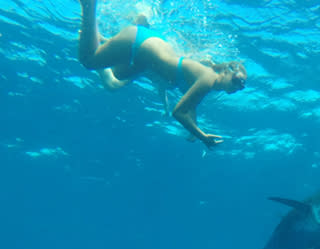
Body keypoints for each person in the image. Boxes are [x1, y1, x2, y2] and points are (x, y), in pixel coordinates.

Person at [77, 0, 247, 149]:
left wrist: (194, 129)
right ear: (226, 72)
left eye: (242, 86)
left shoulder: (208, 82)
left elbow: (191, 106)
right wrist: (203, 137)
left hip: (146, 47)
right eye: (238, 80)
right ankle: (89, 5)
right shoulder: (208, 79)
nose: (238, 87)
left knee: (117, 77)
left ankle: (114, 32)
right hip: (140, 44)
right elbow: (178, 112)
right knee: (88, 60)